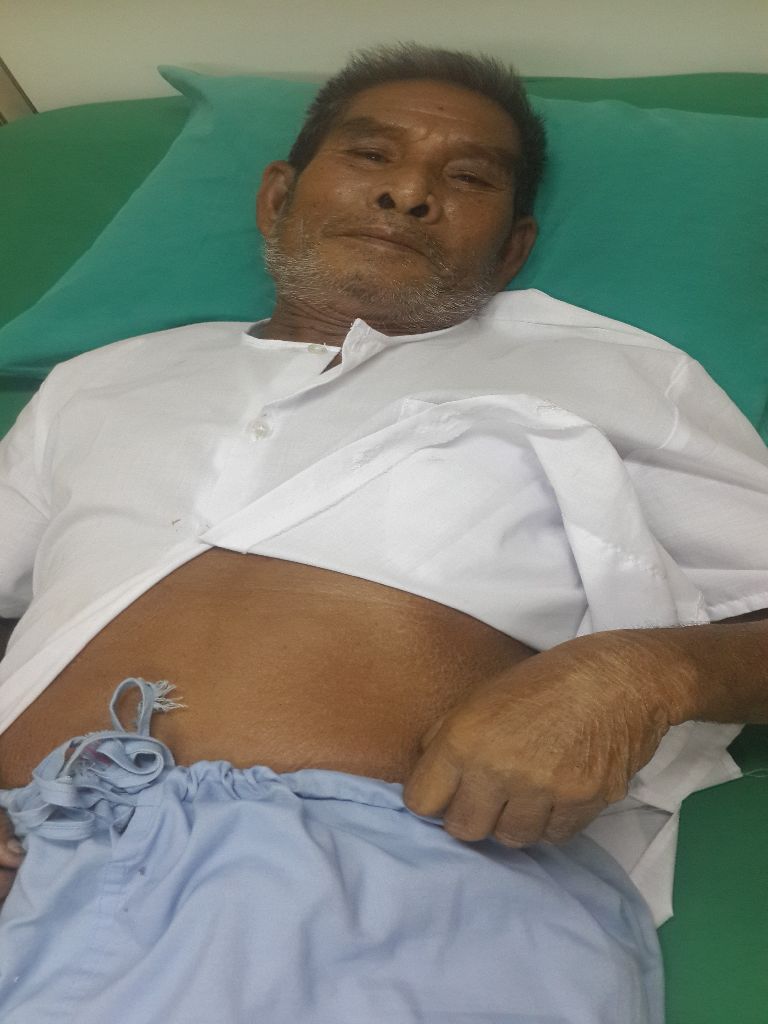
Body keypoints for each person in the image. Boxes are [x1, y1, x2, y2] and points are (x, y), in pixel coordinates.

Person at [0, 41, 766, 1023]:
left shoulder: (617, 375)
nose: (409, 193)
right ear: (278, 196)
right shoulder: (99, 382)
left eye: (468, 177)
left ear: (514, 247)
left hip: (385, 891)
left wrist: (637, 676)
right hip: (29, 855)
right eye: (370, 155)